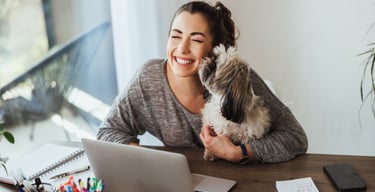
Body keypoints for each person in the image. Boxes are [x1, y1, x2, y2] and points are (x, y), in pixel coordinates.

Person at [97, 1, 308, 163]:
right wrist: (149, 160)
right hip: (183, 182)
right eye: (176, 36)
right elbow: (108, 132)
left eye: (196, 40)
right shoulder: (149, 79)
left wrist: (239, 152)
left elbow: (296, 137)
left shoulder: (237, 81)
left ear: (215, 48)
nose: (181, 48)